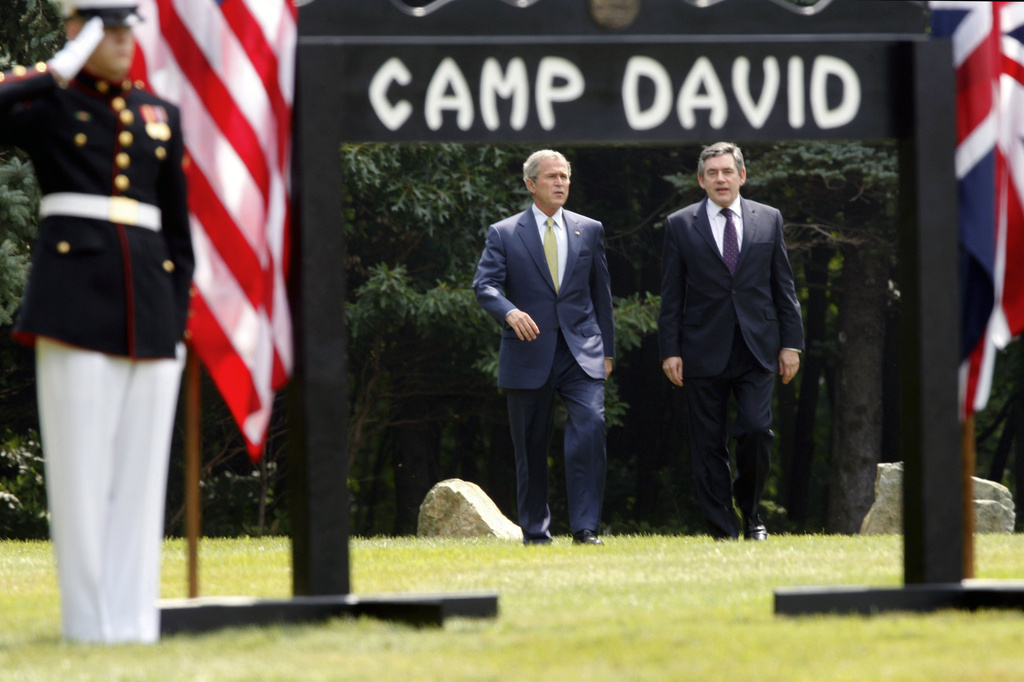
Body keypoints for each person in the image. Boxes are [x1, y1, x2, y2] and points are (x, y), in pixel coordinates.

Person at [0, 0, 193, 642]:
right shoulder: (48, 101)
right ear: (78, 34)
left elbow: (177, 230)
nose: (121, 41)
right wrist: (56, 69)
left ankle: (134, 623)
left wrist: (179, 315)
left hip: (150, 305)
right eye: (106, 30)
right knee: (81, 472)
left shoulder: (158, 113)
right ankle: (89, 624)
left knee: (140, 479)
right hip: (73, 299)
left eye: (126, 29)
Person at [658, 142, 803, 541]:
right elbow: (671, 296)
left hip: (759, 346)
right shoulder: (680, 224)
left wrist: (792, 344)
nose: (720, 179)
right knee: (708, 445)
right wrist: (670, 350)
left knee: (756, 430)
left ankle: (751, 512)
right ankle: (722, 528)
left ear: (742, 176)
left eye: (727, 171)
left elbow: (783, 285)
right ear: (701, 180)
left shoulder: (769, 219)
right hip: (701, 348)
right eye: (712, 173)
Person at [474, 150, 615, 545]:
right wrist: (509, 312)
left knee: (590, 428)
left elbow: (600, 295)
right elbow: (484, 285)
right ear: (530, 184)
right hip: (527, 351)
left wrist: (607, 351)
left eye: (565, 177)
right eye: (551, 177)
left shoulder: (589, 229)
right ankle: (536, 532)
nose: (560, 183)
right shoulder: (504, 232)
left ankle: (586, 529)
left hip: (581, 351)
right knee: (531, 447)